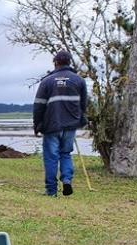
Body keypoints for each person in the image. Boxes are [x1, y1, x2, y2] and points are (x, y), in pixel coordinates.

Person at [33, 50, 88, 197]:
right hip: (70, 125)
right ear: (69, 63)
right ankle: (67, 180)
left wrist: (37, 125)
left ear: (55, 63)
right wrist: (80, 120)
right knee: (65, 154)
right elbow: (83, 105)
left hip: (51, 126)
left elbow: (38, 105)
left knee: (51, 157)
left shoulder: (47, 81)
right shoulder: (79, 81)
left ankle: (51, 191)